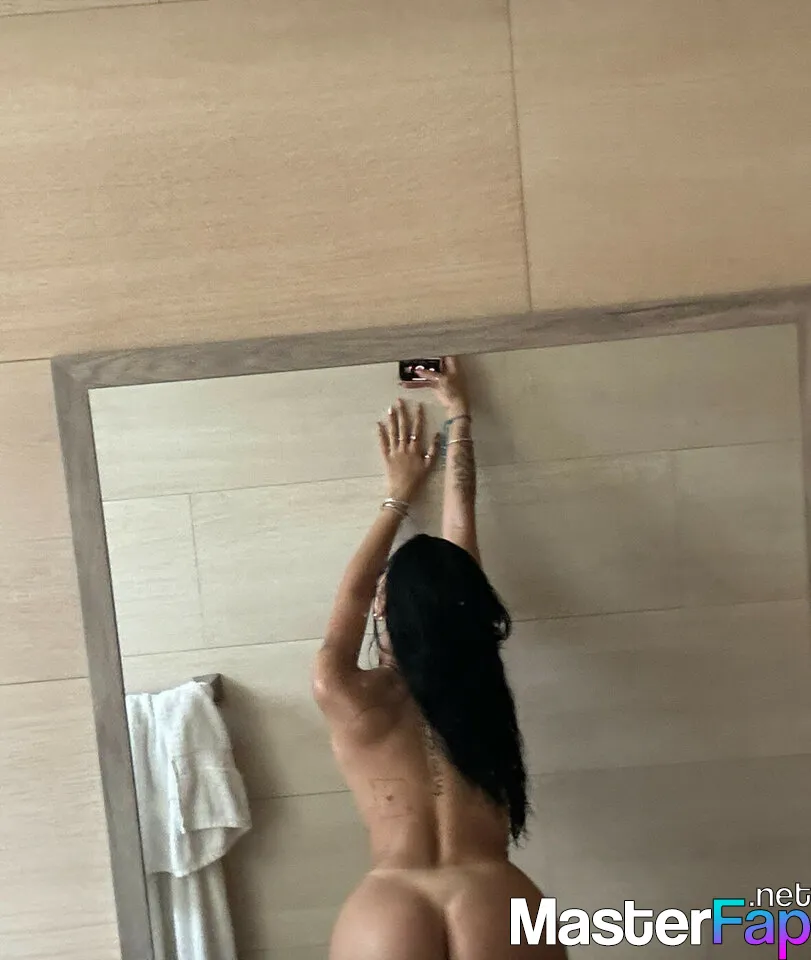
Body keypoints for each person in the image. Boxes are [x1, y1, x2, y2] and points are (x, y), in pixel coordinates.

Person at [312, 357, 565, 959]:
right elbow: (459, 559)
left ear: (383, 608)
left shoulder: (346, 693)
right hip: (496, 897)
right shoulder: (475, 678)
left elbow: (353, 590)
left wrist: (397, 498)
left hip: (388, 905)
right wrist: (460, 416)